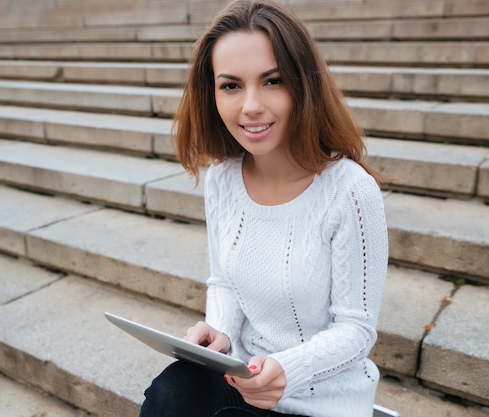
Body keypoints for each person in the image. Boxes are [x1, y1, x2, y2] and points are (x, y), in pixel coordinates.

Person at [139, 0, 389, 416]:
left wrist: (285, 369)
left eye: (272, 81)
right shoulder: (222, 179)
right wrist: (217, 334)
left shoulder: (350, 192)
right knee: (170, 394)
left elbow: (357, 330)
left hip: (320, 399)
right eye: (231, 85)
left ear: (303, 85)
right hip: (243, 377)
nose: (250, 105)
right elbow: (223, 280)